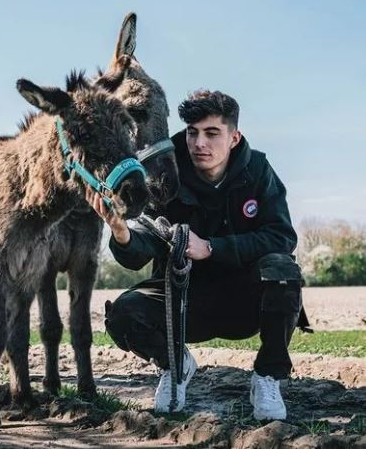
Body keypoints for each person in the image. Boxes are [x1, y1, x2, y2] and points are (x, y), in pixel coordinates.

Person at [86, 89, 310, 421]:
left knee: (282, 269)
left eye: (211, 133)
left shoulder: (258, 170)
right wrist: (121, 232)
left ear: (234, 137)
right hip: (182, 300)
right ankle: (175, 365)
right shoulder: (165, 172)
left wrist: (212, 248)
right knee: (122, 315)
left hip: (243, 299)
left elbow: (281, 236)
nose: (199, 143)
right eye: (192, 132)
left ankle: (267, 376)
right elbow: (142, 244)